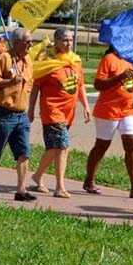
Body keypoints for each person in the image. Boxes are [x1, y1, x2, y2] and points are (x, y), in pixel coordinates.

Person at [83, 46, 133, 199]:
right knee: (102, 145)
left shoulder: (130, 62)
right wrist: (119, 77)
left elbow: (129, 89)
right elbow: (98, 84)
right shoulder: (109, 59)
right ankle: (89, 180)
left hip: (128, 110)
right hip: (108, 110)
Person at [27, 28, 91, 198]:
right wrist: (31, 110)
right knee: (63, 146)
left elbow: (81, 85)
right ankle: (60, 186)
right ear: (56, 41)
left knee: (55, 147)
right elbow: (35, 88)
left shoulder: (75, 60)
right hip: (51, 110)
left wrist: (86, 106)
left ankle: (38, 176)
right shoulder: (47, 61)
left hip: (68, 112)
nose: (68, 43)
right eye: (65, 40)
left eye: (71, 40)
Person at [0, 27, 35, 201]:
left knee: (24, 152)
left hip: (21, 115)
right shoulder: (3, 58)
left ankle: (21, 189)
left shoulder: (27, 60)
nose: (31, 45)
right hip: (4, 114)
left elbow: (30, 83)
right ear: (17, 42)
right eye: (28, 42)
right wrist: (9, 81)